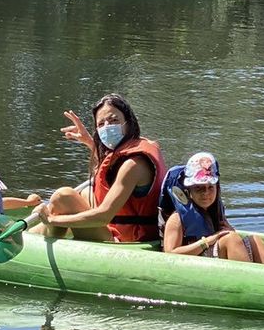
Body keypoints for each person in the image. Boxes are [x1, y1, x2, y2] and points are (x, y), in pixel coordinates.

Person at [33, 94, 165, 243]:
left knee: (63, 197)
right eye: (101, 124)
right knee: (86, 193)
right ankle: (29, 235)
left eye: (114, 120)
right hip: (121, 228)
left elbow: (104, 216)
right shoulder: (139, 146)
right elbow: (111, 166)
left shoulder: (133, 165)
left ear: (128, 123)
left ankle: (33, 238)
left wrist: (51, 220)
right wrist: (89, 141)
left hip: (128, 239)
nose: (107, 127)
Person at [159, 151, 264, 264]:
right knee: (230, 240)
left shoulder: (216, 212)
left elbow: (230, 235)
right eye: (198, 188)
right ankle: (251, 281)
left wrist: (230, 230)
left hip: (215, 257)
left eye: (210, 187)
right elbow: (170, 253)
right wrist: (206, 242)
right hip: (195, 263)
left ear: (217, 188)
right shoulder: (177, 219)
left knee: (254, 240)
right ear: (189, 190)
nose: (205, 193)